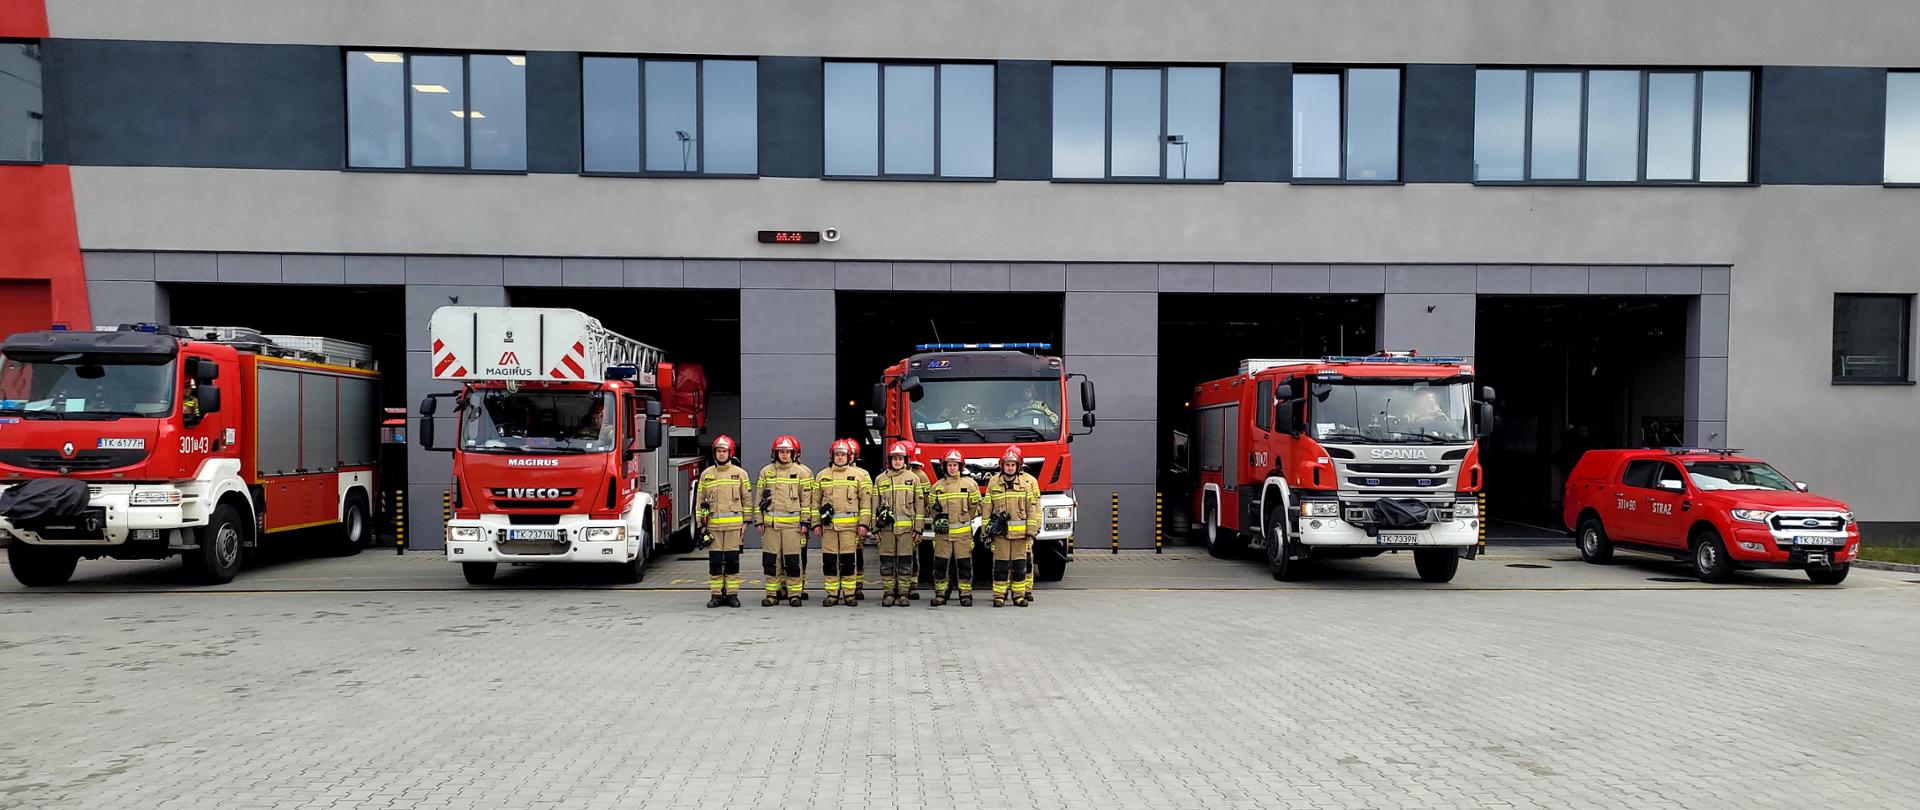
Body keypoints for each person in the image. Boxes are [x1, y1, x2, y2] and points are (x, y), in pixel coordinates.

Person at [755, 435, 815, 607]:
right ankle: (772, 594)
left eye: (787, 451)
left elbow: (807, 500)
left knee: (792, 561)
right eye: (781, 451)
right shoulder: (766, 472)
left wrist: (805, 522)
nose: (784, 454)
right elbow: (759, 498)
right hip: (771, 526)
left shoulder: (802, 472)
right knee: (770, 561)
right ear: (775, 453)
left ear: (794, 453)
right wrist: (759, 521)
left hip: (793, 527)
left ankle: (794, 594)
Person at [812, 439, 872, 607]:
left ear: (849, 456)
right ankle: (832, 594)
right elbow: (815, 503)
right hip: (828, 528)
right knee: (829, 561)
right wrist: (816, 524)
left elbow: (865, 502)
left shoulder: (859, 475)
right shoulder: (822, 476)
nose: (840, 457)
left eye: (843, 455)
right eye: (837, 454)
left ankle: (849, 594)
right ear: (832, 456)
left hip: (850, 529)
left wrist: (864, 524)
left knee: (848, 561)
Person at [695, 435, 752, 608]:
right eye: (718, 451)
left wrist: (746, 522)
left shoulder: (740, 474)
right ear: (714, 453)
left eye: (724, 451)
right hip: (713, 528)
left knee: (732, 562)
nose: (721, 454)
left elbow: (747, 500)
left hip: (734, 528)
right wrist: (701, 525)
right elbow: (700, 502)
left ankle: (732, 595)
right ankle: (717, 596)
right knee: (715, 563)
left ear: (730, 452)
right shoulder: (706, 475)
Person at [983, 445, 1042, 607]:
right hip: (1001, 535)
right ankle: (999, 596)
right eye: (1007, 465)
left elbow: (1032, 509)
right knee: (1000, 567)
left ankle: (1018, 596)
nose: (1010, 468)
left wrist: (1031, 532)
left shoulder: (1026, 485)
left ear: (1018, 466)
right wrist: (986, 532)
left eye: (1013, 465)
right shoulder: (994, 484)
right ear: (1002, 466)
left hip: (1020, 536)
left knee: (1019, 567)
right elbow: (987, 508)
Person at [872, 440, 928, 607]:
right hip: (886, 530)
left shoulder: (913, 479)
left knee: (905, 562)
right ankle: (889, 593)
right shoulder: (880, 479)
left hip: (906, 531)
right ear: (890, 460)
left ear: (906, 460)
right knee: (887, 562)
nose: (897, 461)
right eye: (894, 458)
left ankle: (903, 594)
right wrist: (875, 528)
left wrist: (918, 529)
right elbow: (874, 505)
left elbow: (919, 506)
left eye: (900, 458)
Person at [926, 449, 983, 607]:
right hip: (942, 536)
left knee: (964, 565)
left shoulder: (970, 485)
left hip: (963, 535)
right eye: (949, 465)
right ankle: (940, 594)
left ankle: (965, 594)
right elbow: (931, 508)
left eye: (955, 465)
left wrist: (966, 518)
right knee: (940, 566)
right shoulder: (936, 487)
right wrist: (938, 519)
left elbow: (977, 506)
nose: (952, 468)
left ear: (960, 466)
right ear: (944, 466)